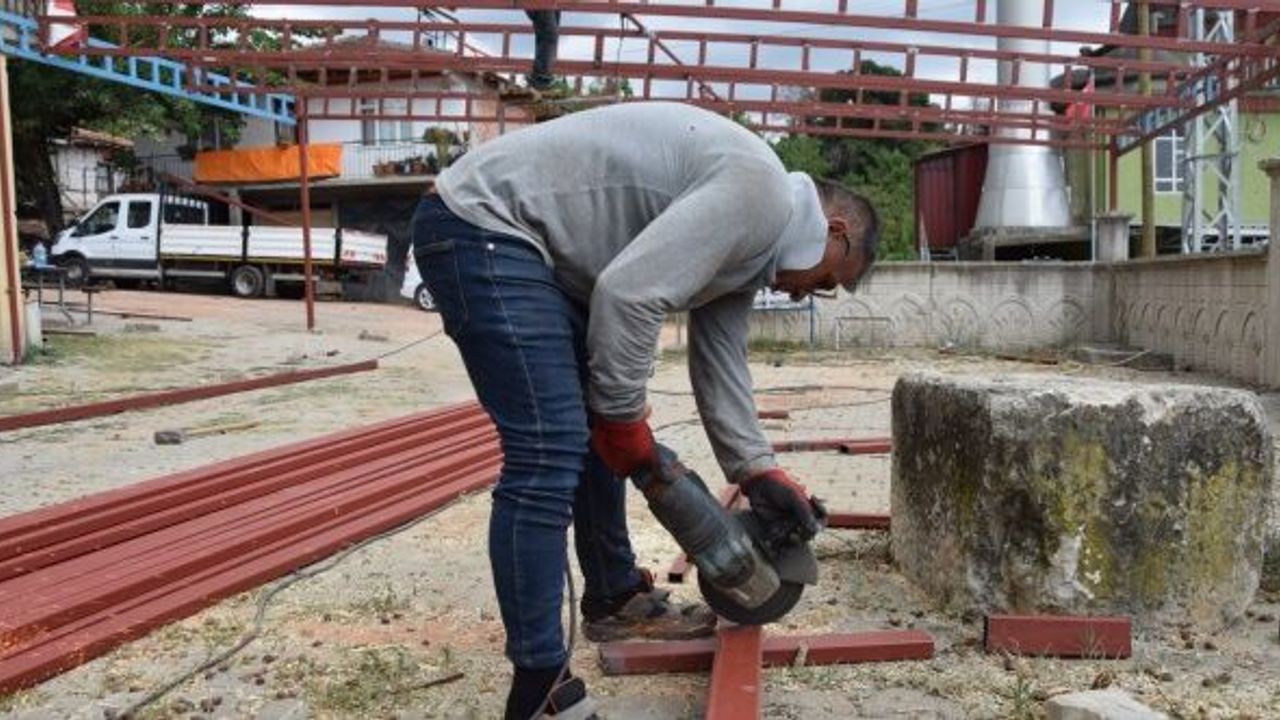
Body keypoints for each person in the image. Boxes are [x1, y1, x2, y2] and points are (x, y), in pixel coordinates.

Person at [412, 101, 878, 720]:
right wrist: (625, 420)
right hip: (484, 225)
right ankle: (540, 692)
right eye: (824, 281)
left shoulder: (751, 242)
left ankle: (611, 599)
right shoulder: (760, 194)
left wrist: (757, 471)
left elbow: (721, 362)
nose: (803, 292)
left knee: (600, 427)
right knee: (549, 451)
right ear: (835, 232)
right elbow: (629, 295)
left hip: (529, 249)